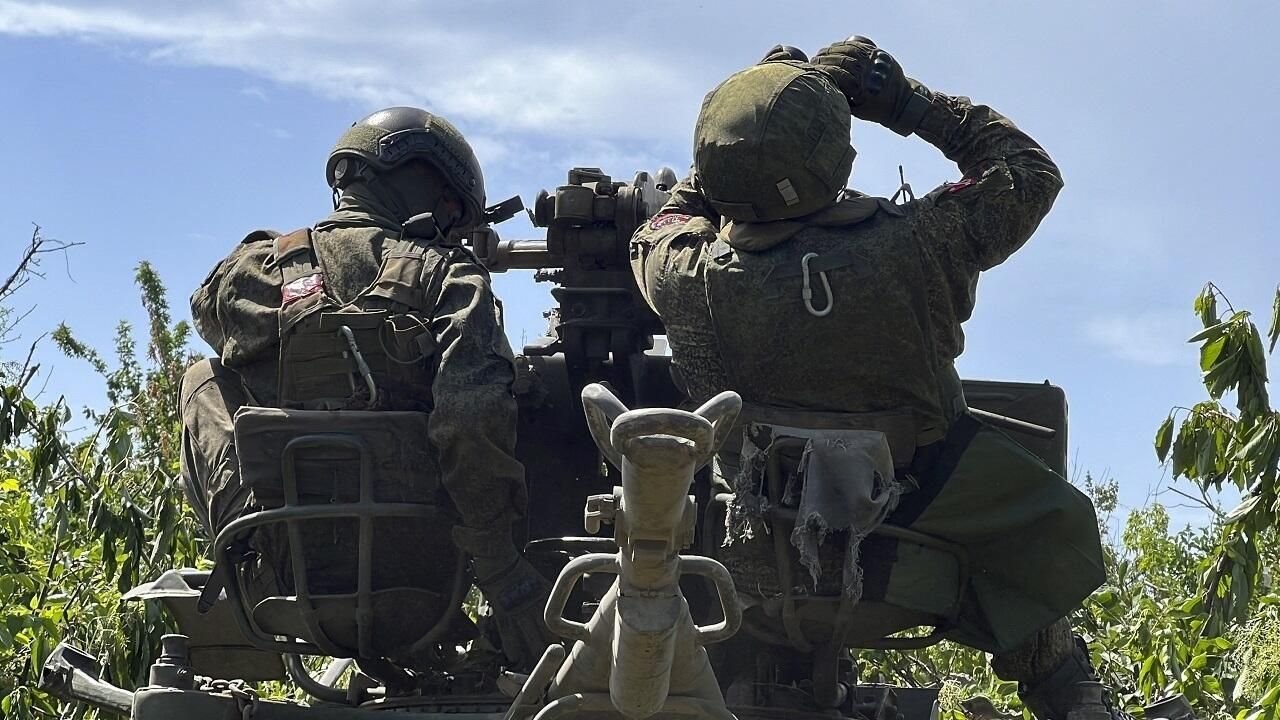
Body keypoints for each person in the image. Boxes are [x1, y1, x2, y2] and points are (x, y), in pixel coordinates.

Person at [630, 39, 1112, 720]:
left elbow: (664, 223)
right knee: (1013, 507)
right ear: (837, 160)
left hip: (756, 567)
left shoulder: (684, 275)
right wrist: (903, 101)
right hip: (921, 553)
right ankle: (1067, 694)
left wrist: (744, 138)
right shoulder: (923, 241)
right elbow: (1027, 172)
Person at [180, 107, 551, 670]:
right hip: (425, 580)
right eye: (453, 211)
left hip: (284, 579)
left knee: (203, 380)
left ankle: (242, 547)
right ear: (424, 187)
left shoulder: (253, 271)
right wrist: (500, 567)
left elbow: (207, 313)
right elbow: (472, 421)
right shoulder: (449, 277)